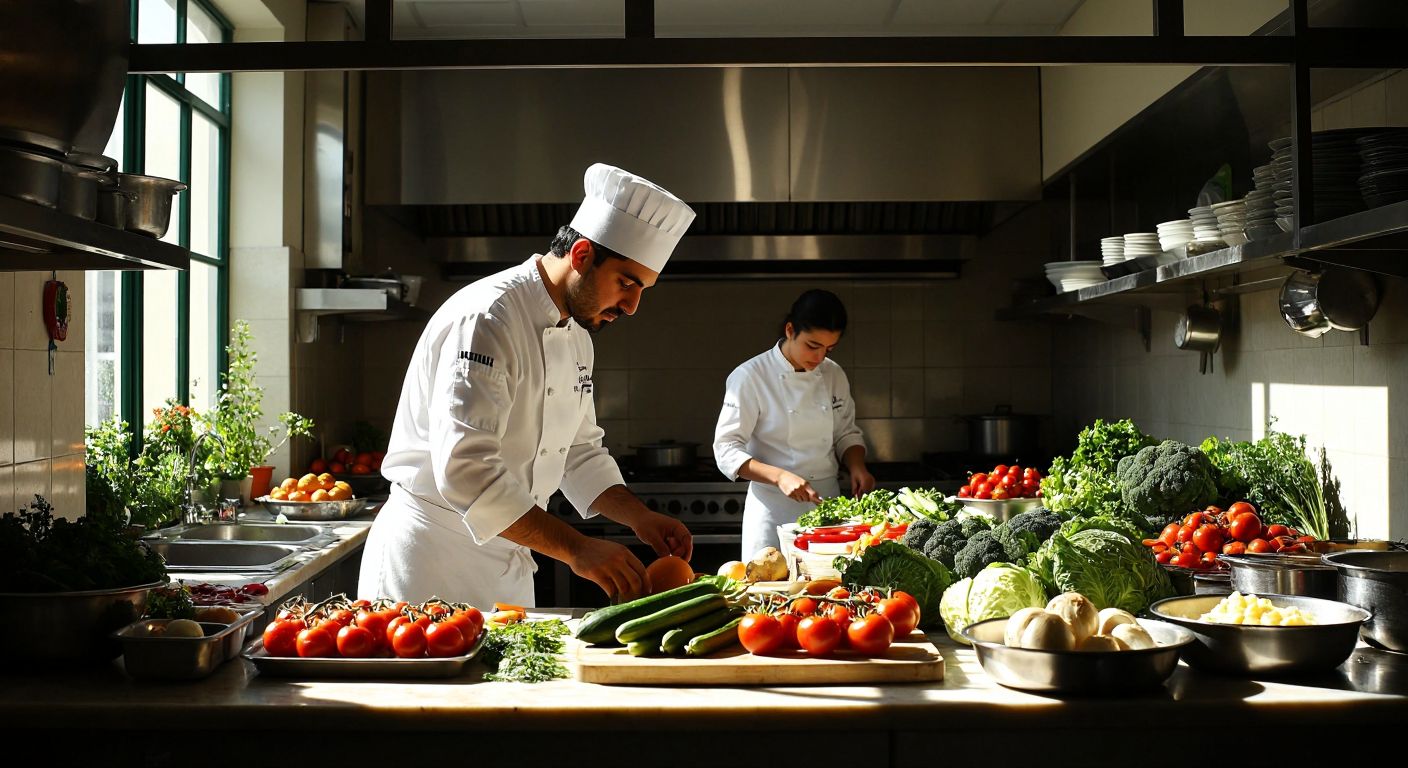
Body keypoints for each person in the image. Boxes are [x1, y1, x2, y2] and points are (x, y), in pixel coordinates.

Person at [359, 163, 697, 609]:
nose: (632, 307)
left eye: (643, 290)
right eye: (627, 283)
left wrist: (639, 517)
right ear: (580, 256)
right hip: (432, 564)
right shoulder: (488, 318)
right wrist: (578, 548)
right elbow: (465, 471)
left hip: (509, 559)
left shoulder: (577, 335)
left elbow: (577, 451)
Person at [712, 289, 876, 560]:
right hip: (773, 509)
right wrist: (780, 476)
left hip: (828, 507)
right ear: (790, 330)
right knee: (769, 594)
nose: (820, 357)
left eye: (829, 348)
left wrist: (857, 465)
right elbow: (726, 449)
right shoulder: (750, 376)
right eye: (812, 346)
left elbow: (846, 432)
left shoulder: (833, 373)